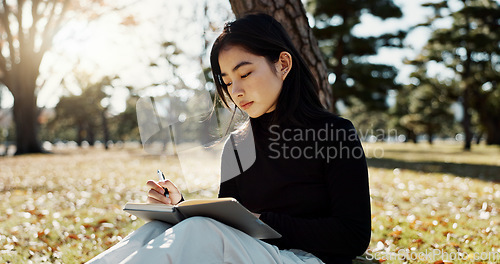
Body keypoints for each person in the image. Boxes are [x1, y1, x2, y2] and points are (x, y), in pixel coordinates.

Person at [86, 13, 371, 264]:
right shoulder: (238, 143)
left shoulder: (334, 133)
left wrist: (262, 222)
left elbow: (353, 236)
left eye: (245, 73)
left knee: (201, 232)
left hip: (307, 259)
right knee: (156, 230)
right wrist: (180, 207)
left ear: (282, 64)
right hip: (250, 252)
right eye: (227, 81)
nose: (236, 91)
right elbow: (226, 220)